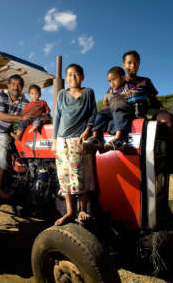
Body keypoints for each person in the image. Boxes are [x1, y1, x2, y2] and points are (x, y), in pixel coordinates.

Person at [122, 50, 173, 176]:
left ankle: (170, 162)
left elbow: (153, 100)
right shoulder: (120, 81)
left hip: (148, 111)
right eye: (129, 63)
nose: (133, 66)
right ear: (124, 65)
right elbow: (110, 99)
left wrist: (162, 109)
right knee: (167, 121)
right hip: (131, 114)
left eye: (136, 63)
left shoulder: (145, 81)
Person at [52, 63, 97, 225]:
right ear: (66, 78)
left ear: (82, 77)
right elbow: (56, 117)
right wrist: (54, 140)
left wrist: (87, 131)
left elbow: (93, 113)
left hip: (78, 139)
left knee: (80, 175)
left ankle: (82, 209)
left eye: (77, 74)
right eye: (70, 74)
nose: (73, 77)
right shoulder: (62, 94)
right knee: (64, 177)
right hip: (62, 141)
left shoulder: (88, 93)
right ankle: (70, 211)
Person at [83, 66, 150, 152]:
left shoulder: (128, 86)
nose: (111, 83)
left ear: (122, 78)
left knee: (119, 113)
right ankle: (96, 137)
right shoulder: (110, 91)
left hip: (125, 110)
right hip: (112, 111)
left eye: (114, 79)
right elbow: (106, 102)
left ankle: (118, 139)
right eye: (109, 81)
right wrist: (105, 99)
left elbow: (140, 91)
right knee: (100, 115)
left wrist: (134, 91)